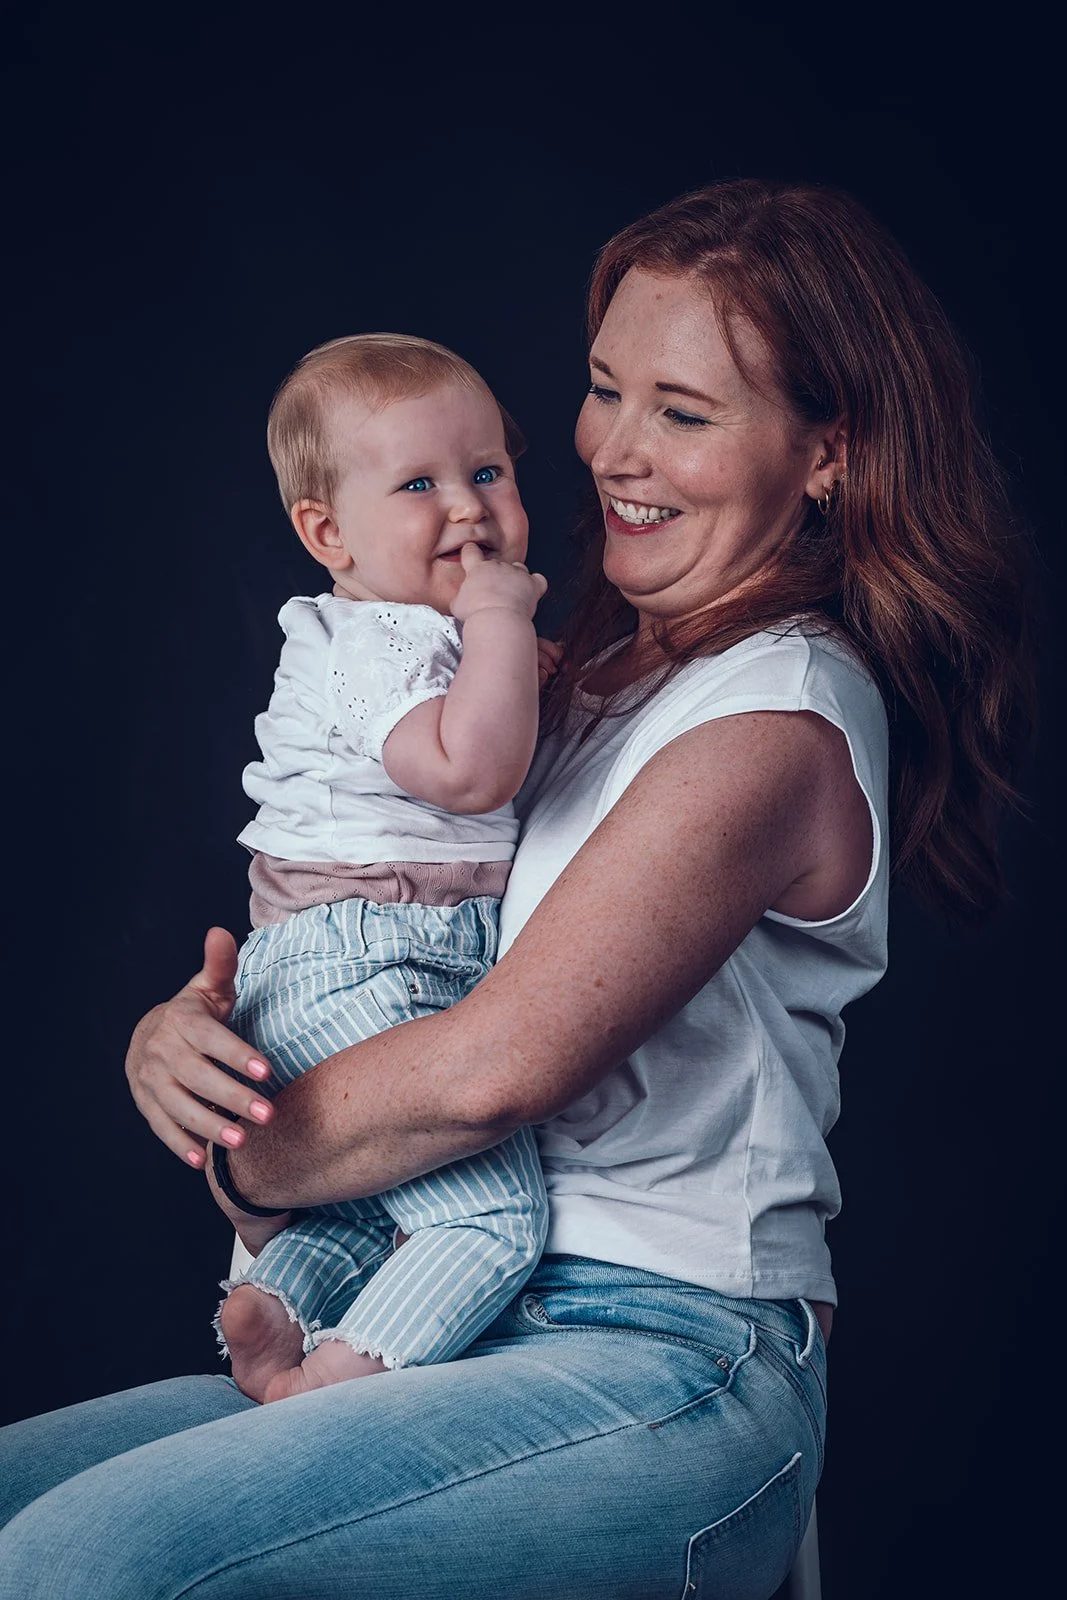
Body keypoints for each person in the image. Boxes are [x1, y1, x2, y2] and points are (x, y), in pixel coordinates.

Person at [0, 179, 1031, 1600]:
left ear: (826, 453)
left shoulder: (774, 716)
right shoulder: (575, 674)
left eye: (682, 411)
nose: (613, 449)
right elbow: (389, 927)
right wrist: (191, 1047)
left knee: (87, 1562)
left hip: (664, 1353)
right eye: (604, 389)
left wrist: (241, 1146)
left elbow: (490, 1073)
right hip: (438, 1306)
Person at [207, 332, 554, 1404]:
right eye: (418, 485)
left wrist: (499, 650)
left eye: (486, 471)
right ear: (328, 534)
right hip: (373, 946)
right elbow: (469, 771)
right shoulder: (374, 642)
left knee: (368, 1207)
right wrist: (499, 623)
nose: (467, 509)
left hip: (348, 955)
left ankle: (279, 1308)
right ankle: (334, 1384)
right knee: (491, 1218)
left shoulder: (408, 633)